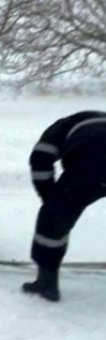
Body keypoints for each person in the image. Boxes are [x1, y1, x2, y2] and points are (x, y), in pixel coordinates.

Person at [23, 111, 106, 302]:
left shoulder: (59, 129)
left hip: (90, 164)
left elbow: (40, 159)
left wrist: (50, 198)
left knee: (52, 224)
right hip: (91, 157)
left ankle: (46, 282)